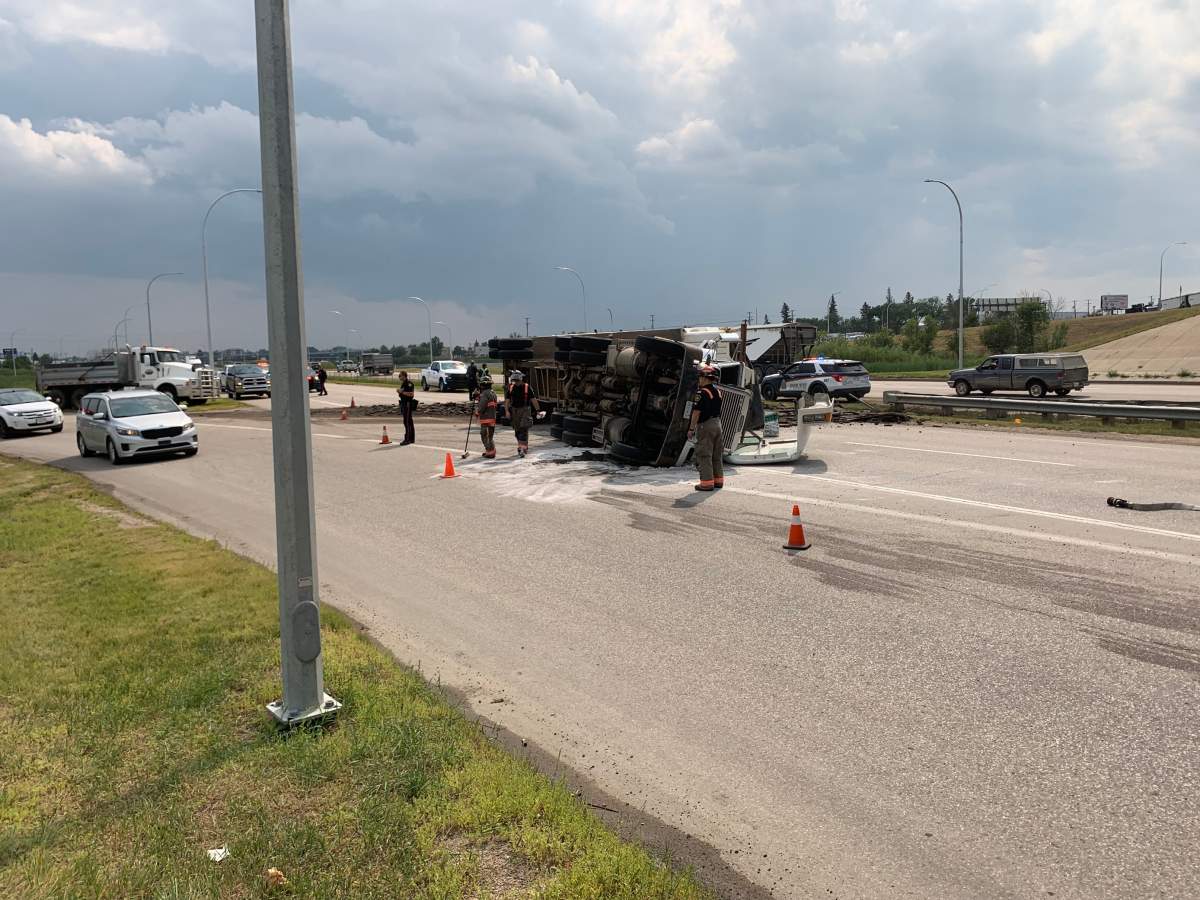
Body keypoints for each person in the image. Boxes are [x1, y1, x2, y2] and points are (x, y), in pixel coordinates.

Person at [688, 364, 724, 491]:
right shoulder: (718, 392)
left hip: (706, 426)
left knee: (704, 454)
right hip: (717, 424)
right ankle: (718, 481)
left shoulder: (702, 393)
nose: (699, 379)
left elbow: (696, 413)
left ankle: (707, 483)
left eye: (700, 377)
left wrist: (691, 429)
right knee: (716, 454)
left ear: (705, 378)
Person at [506, 370, 540, 457]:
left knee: (523, 428)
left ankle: (522, 449)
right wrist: (507, 411)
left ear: (521, 379)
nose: (516, 382)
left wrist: (538, 410)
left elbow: (533, 399)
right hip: (514, 410)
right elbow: (507, 401)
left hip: (525, 410)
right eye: (514, 380)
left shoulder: (527, 387)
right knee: (517, 430)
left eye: (517, 380)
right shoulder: (511, 387)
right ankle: (522, 446)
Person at [476, 373, 498, 459]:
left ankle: (490, 452)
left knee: (484, 435)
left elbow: (482, 407)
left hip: (486, 418)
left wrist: (477, 412)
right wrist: (478, 397)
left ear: (482, 385)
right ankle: (490, 450)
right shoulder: (493, 393)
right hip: (492, 417)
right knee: (490, 436)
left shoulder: (484, 394)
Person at [396, 371, 416, 445]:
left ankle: (407, 439)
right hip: (404, 403)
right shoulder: (404, 384)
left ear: (404, 376)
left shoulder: (409, 384)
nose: (399, 377)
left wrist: (401, 392)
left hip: (407, 403)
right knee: (409, 421)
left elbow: (411, 394)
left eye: (400, 376)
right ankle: (411, 438)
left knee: (407, 421)